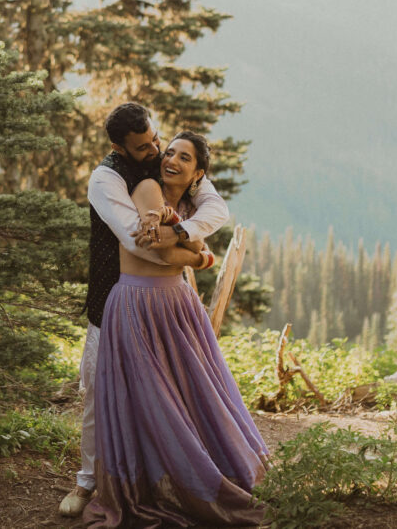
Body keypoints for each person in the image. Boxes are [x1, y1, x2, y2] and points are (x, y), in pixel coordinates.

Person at [84, 130, 269, 528]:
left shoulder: (190, 203)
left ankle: (202, 471)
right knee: (152, 399)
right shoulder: (149, 187)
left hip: (176, 303)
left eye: (184, 158)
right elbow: (159, 250)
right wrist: (200, 256)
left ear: (198, 172)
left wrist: (185, 244)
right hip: (137, 303)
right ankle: (157, 483)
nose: (172, 160)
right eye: (169, 152)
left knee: (194, 393)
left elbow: (176, 244)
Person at [59, 104, 230, 518]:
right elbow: (137, 243)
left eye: (156, 139)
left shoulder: (168, 160)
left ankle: (162, 476)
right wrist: (199, 259)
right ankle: (88, 482)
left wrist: (181, 230)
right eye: (145, 147)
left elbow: (217, 209)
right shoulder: (105, 179)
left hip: (164, 298)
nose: (156, 150)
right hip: (113, 298)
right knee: (101, 391)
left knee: (171, 389)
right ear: (120, 147)